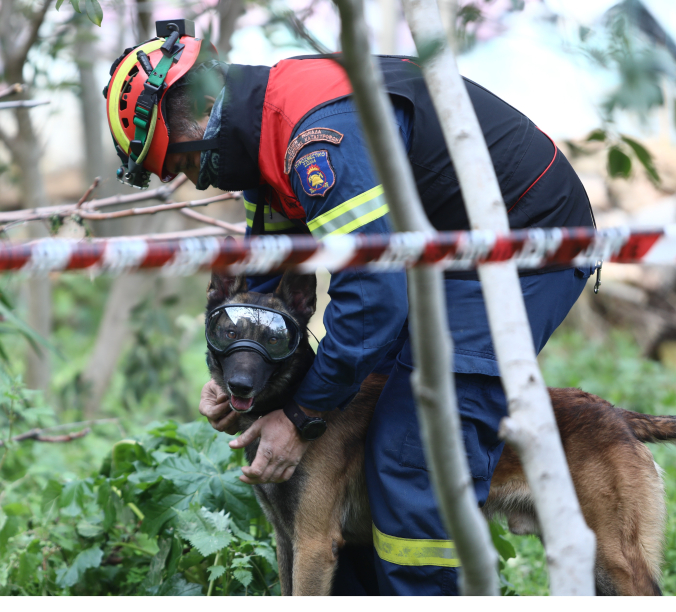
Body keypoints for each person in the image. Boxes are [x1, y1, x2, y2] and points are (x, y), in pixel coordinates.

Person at [103, 20, 595, 595]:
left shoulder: (317, 138)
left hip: (526, 241)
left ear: (192, 120)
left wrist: (302, 415)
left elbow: (372, 296)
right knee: (356, 429)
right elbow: (267, 271)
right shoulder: (266, 133)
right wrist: (240, 367)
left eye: (184, 165)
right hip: (438, 252)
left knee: (414, 441)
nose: (195, 183)